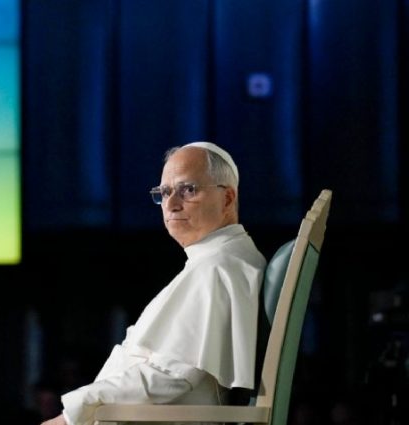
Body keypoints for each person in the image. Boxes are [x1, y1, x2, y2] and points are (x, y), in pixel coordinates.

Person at [41, 141, 267, 425]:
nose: (171, 205)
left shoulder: (218, 266)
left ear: (228, 199)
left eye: (188, 190)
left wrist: (71, 415)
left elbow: (170, 376)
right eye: (165, 192)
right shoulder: (217, 260)